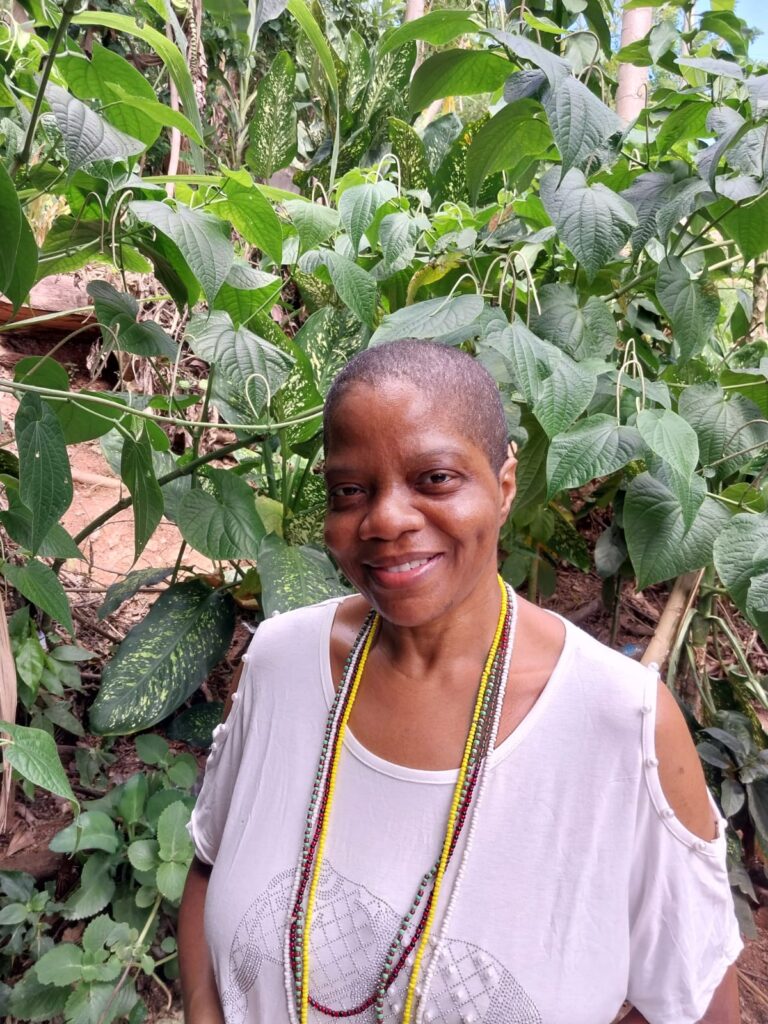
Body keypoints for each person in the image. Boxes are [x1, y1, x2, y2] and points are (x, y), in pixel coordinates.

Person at [179, 339, 743, 1024]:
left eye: (435, 478)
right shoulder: (281, 663)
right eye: (350, 491)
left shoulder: (622, 724)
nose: (386, 519)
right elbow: (208, 865)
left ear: (504, 487)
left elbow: (698, 1001)